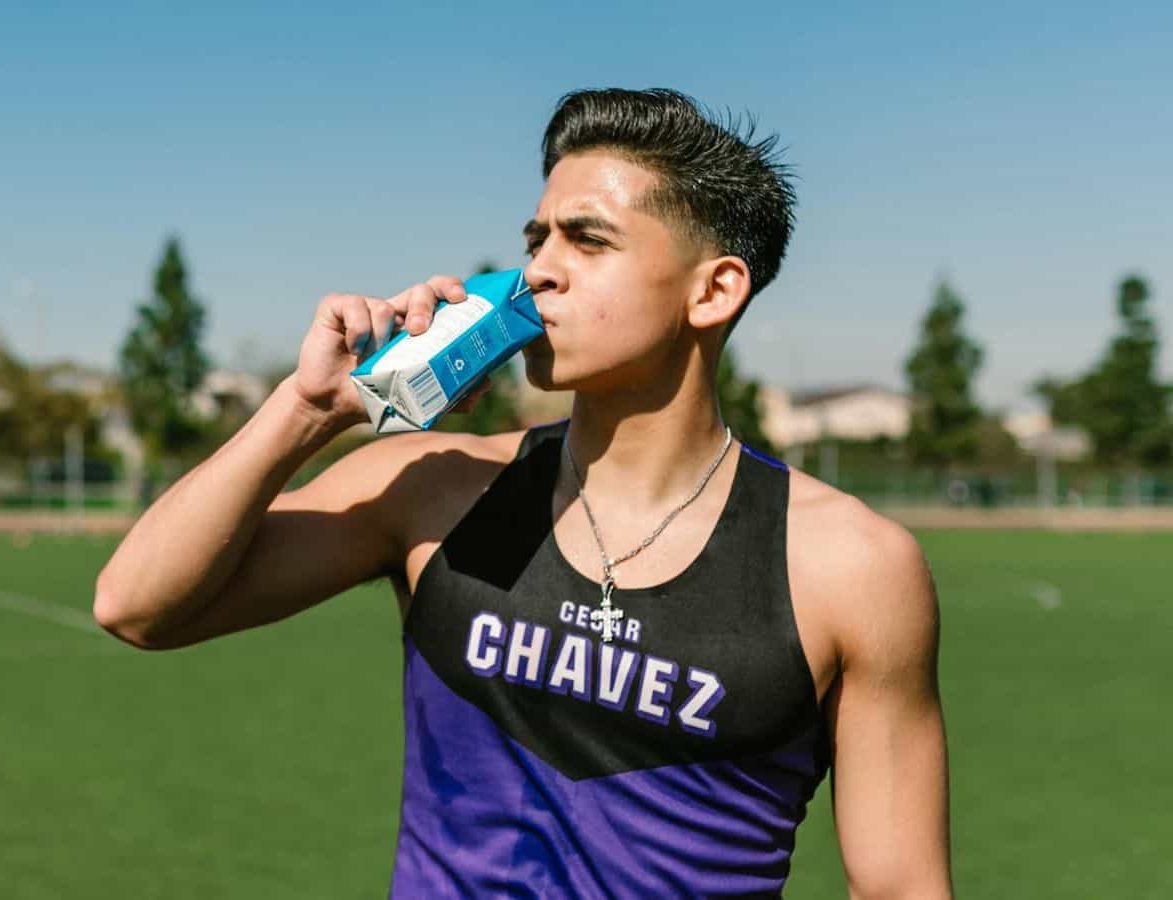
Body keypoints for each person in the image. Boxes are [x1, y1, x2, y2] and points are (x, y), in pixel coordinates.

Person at [95, 88, 951, 898]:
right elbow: (136, 607)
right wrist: (310, 411)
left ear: (714, 289)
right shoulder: (444, 486)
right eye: (537, 239)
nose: (540, 269)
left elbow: (900, 885)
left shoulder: (846, 566)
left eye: (588, 240)